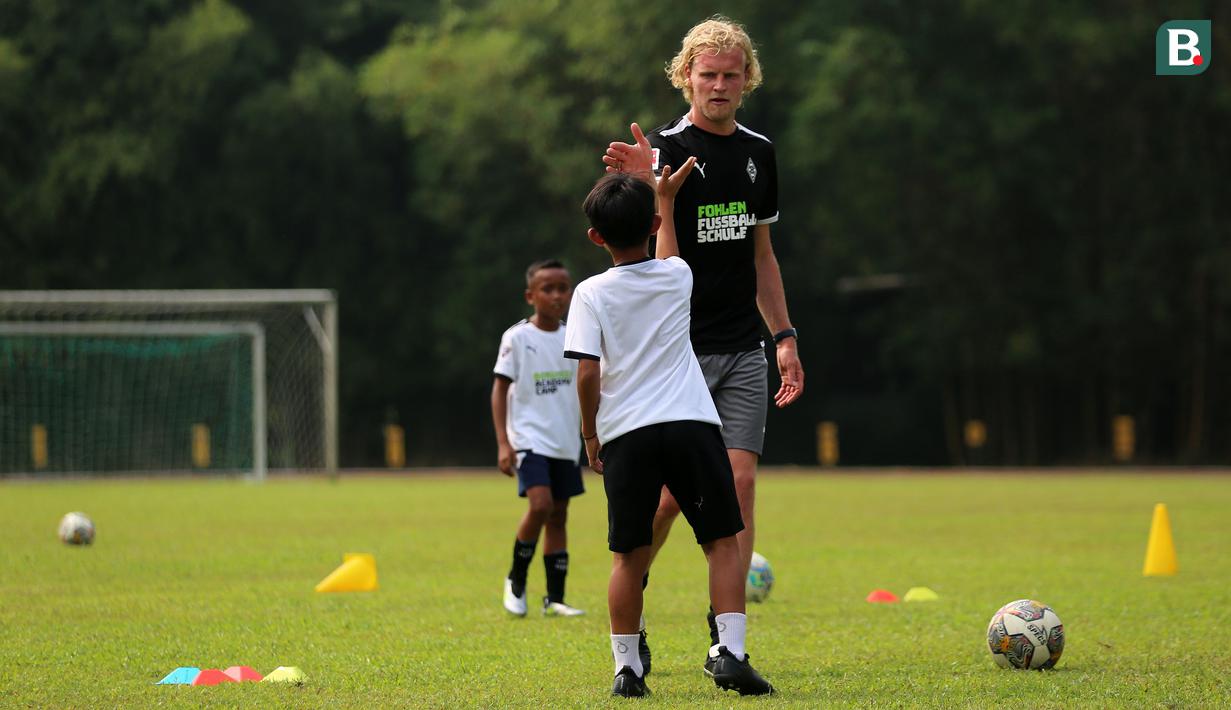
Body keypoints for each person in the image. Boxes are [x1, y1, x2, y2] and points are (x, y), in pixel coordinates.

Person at [602, 15, 804, 672]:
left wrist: (784, 337)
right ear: (684, 76)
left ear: (747, 80)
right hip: (674, 354)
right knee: (666, 501)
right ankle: (637, 590)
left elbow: (762, 257)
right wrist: (646, 189)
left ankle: (726, 637)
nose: (718, 85)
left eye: (730, 74)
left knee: (739, 483)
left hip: (743, 346)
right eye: (706, 74)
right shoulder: (656, 149)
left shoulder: (759, 153)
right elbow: (633, 262)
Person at [564, 155, 774, 697]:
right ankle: (730, 654)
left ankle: (628, 669)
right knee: (722, 544)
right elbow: (668, 252)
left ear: (594, 236)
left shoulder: (588, 293)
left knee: (628, 557)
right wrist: (664, 198)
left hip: (627, 435)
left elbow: (587, 371)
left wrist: (590, 432)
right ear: (653, 227)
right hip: (690, 424)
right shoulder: (677, 276)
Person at [491, 259, 586, 618]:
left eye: (563, 288)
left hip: (564, 440)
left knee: (559, 515)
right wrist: (504, 442)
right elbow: (499, 390)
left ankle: (555, 598)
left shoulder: (575, 336)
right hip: (529, 439)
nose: (557, 295)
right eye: (548, 289)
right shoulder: (517, 338)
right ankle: (516, 578)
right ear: (531, 296)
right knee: (541, 504)